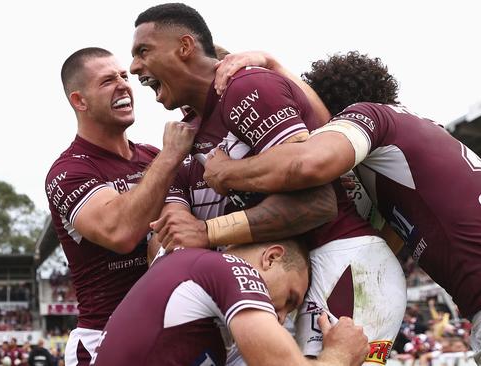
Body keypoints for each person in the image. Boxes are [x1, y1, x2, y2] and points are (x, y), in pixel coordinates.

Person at [202, 50, 481, 365]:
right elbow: (386, 242)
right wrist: (277, 68)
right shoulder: (412, 145)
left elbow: (309, 162)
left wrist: (229, 173)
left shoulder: (372, 118)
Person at [129, 4, 407, 364]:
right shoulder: (195, 132)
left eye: (142, 51)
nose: (134, 66)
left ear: (184, 47)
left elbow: (318, 201)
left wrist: (207, 229)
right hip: (307, 272)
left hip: (345, 264)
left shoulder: (244, 87)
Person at [45, 47, 195, 366]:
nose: (124, 84)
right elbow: (120, 233)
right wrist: (171, 156)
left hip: (172, 333)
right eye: (107, 81)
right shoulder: (68, 171)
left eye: (124, 76)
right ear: (79, 101)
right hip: (105, 341)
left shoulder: (152, 156)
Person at [90, 238, 369, 366]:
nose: (282, 316)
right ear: (270, 257)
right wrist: (340, 354)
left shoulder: (191, 278)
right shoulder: (231, 269)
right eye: (289, 299)